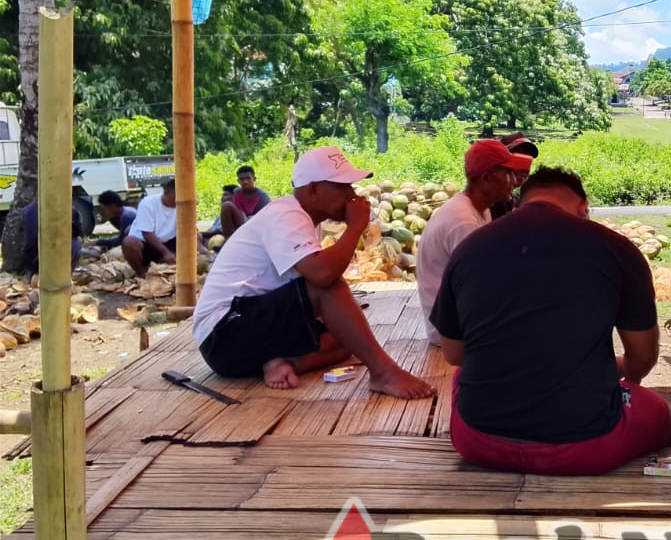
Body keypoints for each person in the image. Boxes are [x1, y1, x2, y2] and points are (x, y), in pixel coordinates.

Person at [431, 167, 671, 475]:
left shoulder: (469, 247)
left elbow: (455, 355)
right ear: (584, 208)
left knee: (459, 380)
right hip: (584, 447)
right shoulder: (617, 249)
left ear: (520, 204)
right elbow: (642, 358)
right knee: (660, 413)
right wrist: (618, 372)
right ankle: (669, 481)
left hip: (478, 440)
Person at [192, 145, 433, 398]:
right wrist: (355, 227)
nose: (352, 195)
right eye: (342, 187)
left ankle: (281, 362)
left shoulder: (303, 219)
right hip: (223, 334)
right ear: (313, 190)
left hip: (244, 332)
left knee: (347, 337)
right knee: (329, 287)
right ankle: (384, 373)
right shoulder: (285, 215)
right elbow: (323, 275)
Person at [416, 139, 532, 344]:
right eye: (507, 173)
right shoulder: (462, 221)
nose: (514, 181)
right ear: (486, 178)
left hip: (460, 318)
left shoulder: (480, 209)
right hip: (449, 331)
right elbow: (481, 286)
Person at [123, 179, 179, 277]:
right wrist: (166, 253)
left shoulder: (185, 205)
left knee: (197, 237)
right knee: (129, 242)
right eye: (177, 195)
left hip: (170, 242)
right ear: (166, 192)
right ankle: (141, 274)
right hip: (148, 244)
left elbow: (190, 231)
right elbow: (147, 233)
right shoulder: (148, 203)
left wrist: (201, 248)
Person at [18, 200, 83, 275]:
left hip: (31, 261)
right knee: (76, 242)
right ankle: (65, 275)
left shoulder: (26, 211)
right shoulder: (68, 209)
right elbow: (79, 232)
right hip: (51, 260)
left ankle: (33, 275)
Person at [489, 132, 538, 220]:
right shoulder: (488, 202)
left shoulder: (518, 201)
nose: (523, 168)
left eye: (528, 161)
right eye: (518, 159)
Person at [220, 165, 270, 239]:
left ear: (254, 179)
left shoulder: (262, 196)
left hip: (255, 224)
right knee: (226, 205)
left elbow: (263, 218)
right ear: (238, 181)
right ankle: (228, 239)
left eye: (248, 178)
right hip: (240, 222)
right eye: (242, 179)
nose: (245, 182)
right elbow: (234, 213)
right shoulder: (236, 192)